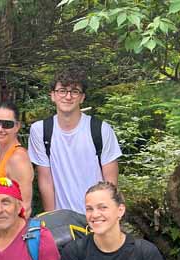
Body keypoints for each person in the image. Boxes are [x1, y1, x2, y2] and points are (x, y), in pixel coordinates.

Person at [28, 67, 122, 214]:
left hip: (96, 217)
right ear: (52, 95)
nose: (68, 96)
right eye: (62, 90)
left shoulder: (101, 129)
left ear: (82, 97)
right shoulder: (40, 130)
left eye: (74, 91)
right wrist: (52, 220)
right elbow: (45, 179)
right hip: (62, 221)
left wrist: (105, 217)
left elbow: (110, 182)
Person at [0, 101, 34, 217]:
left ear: (17, 126)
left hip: (8, 230)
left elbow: (25, 208)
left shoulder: (17, 158)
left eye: (6, 124)